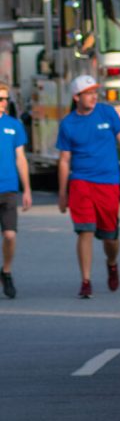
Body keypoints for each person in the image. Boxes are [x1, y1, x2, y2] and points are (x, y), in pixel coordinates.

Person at [56, 74, 120, 298]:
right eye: (88, 93)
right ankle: (86, 280)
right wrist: (63, 193)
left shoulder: (107, 113)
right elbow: (64, 160)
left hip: (108, 182)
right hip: (80, 181)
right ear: (76, 97)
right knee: (85, 230)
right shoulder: (68, 123)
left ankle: (111, 263)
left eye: (94, 92)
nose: (93, 96)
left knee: (111, 237)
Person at [0, 83, 32, 298]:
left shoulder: (14, 125)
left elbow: (21, 158)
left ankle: (7, 271)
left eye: (4, 98)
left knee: (10, 235)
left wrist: (27, 189)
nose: (2, 102)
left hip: (9, 188)